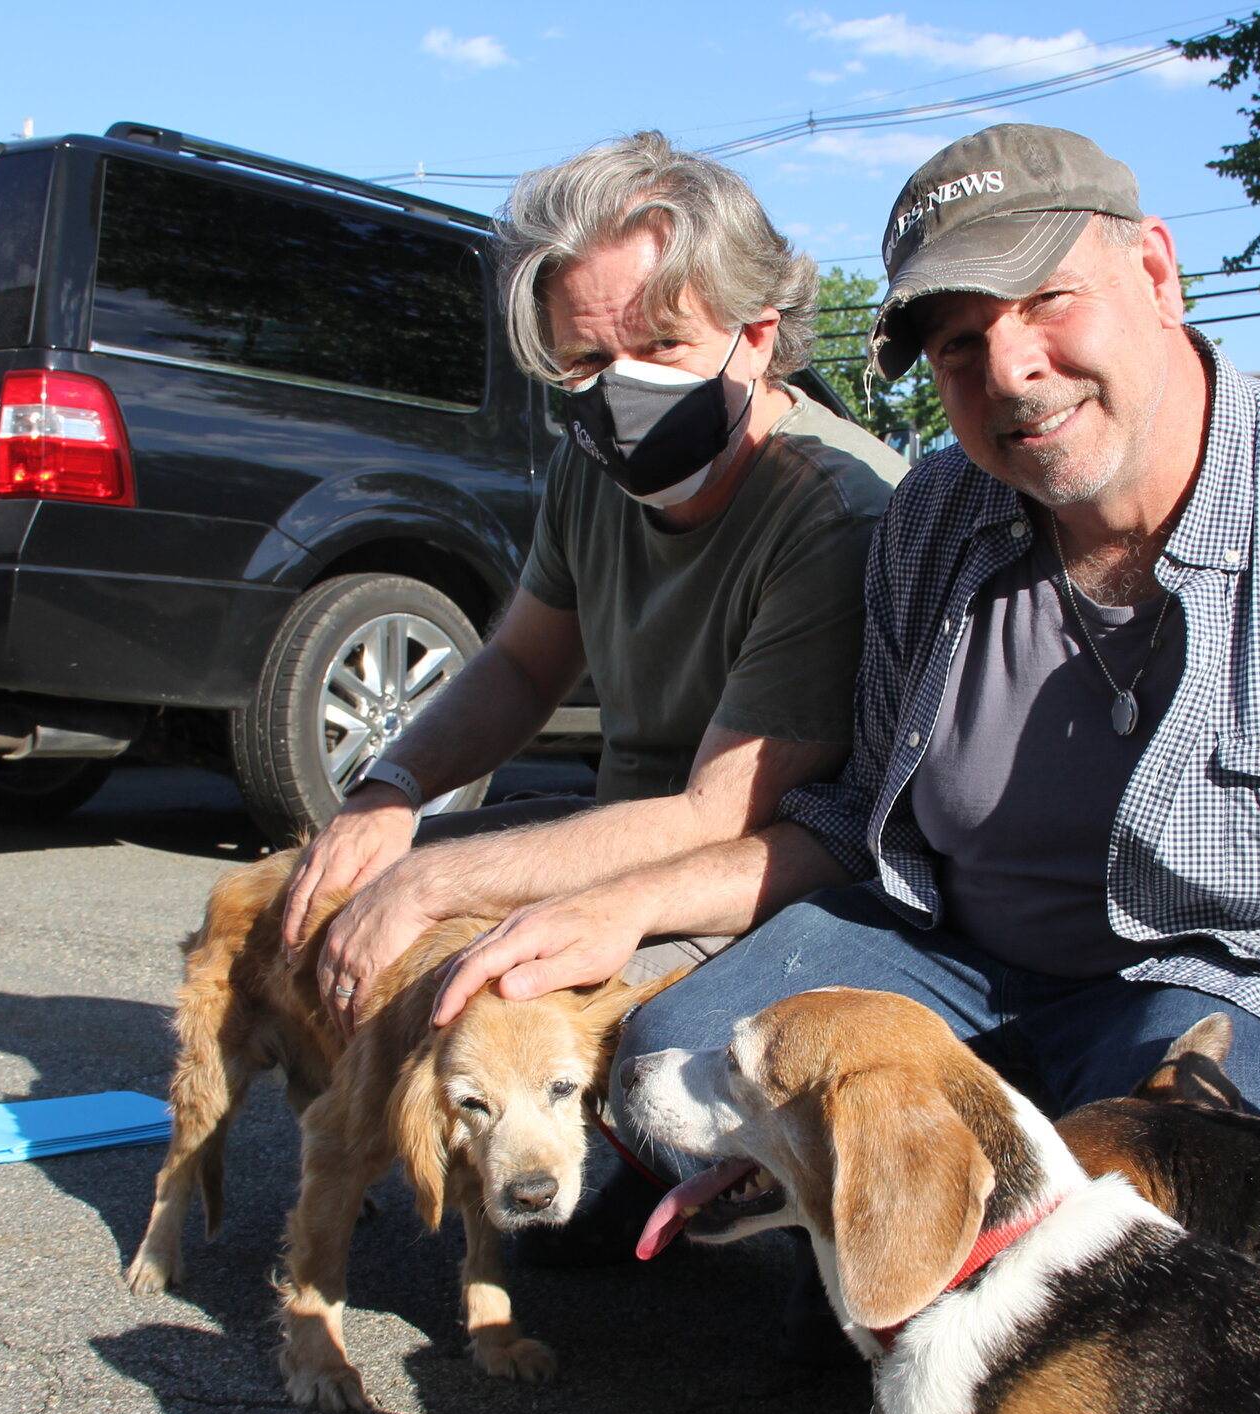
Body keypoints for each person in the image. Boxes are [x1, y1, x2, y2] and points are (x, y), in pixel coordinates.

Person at [432, 124, 1260, 1217]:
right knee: (669, 1066)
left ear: (1159, 272)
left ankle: (963, 1239)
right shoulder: (932, 527)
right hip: (954, 966)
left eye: (1043, 300)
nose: (1008, 367)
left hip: (1231, 993)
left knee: (1153, 1172)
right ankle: (929, 1232)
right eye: (956, 342)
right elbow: (849, 822)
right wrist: (631, 905)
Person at [278, 132, 906, 1040]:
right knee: (329, 890)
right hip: (619, 834)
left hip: (744, 877)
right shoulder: (595, 466)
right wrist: (392, 788)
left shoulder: (835, 516)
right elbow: (525, 668)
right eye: (586, 362)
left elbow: (713, 817)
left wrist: (436, 880)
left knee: (495, 1016)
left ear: (758, 336)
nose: (623, 396)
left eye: (662, 343)